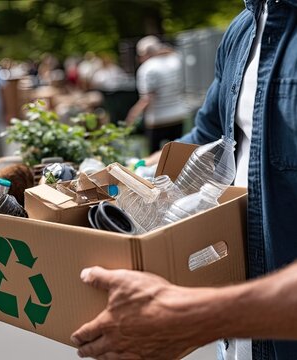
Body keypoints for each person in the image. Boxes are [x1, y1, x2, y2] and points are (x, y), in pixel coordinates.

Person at [71, 1, 297, 359]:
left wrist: (193, 316)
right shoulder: (245, 28)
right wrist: (122, 173)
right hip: (241, 337)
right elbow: (207, 133)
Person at [125, 36, 188, 153]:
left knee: (154, 155)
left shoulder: (147, 68)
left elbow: (147, 98)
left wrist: (132, 115)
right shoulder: (175, 61)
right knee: (177, 154)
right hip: (178, 114)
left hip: (157, 119)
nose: (139, 58)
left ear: (145, 52)